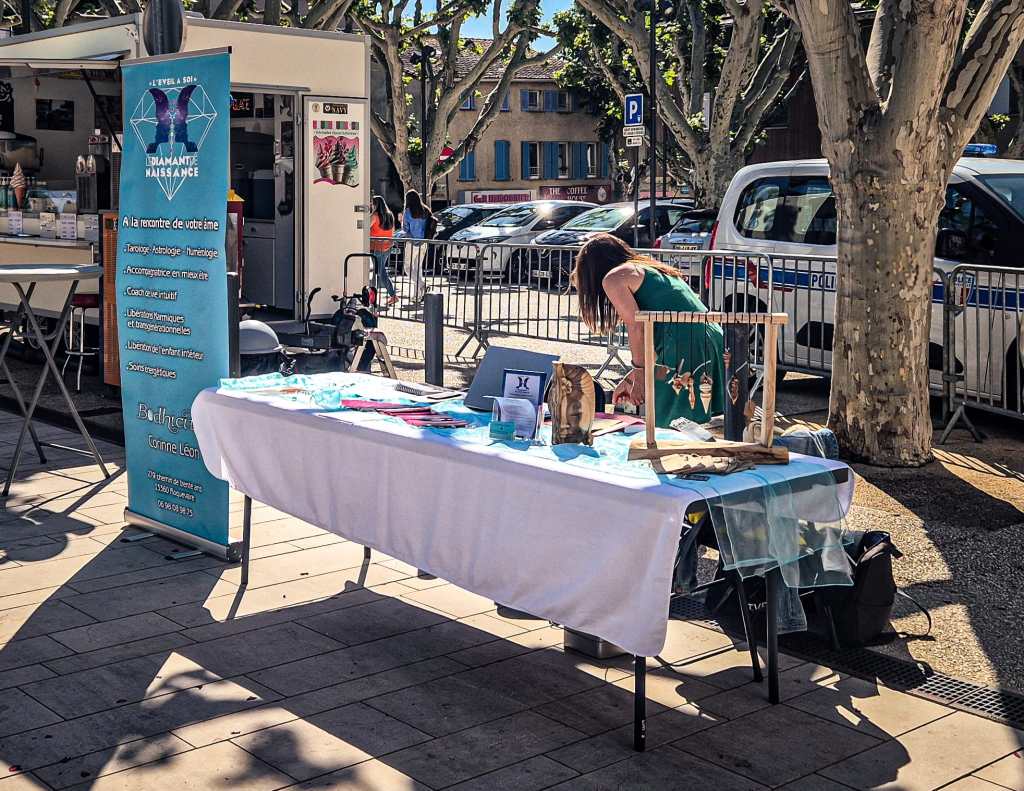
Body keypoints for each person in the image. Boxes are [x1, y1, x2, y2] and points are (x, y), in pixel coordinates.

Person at [571, 233, 724, 426]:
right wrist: (632, 378)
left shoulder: (614, 278)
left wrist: (641, 377)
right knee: (697, 420)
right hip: (707, 334)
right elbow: (650, 329)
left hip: (685, 341)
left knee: (674, 424)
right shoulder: (648, 267)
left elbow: (637, 326)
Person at [401, 189, 433, 304]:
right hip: (423, 243)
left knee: (407, 267)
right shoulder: (426, 210)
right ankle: (417, 296)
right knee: (418, 268)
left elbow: (405, 229)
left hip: (412, 242)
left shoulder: (408, 211)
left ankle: (422, 285)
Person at [369, 196, 399, 306]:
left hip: (376, 246)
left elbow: (365, 227)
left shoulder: (375, 216)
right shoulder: (390, 215)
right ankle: (372, 297)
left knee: (381, 272)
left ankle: (393, 295)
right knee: (378, 272)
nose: (371, 205)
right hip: (387, 246)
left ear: (375, 204)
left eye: (372, 203)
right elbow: (393, 230)